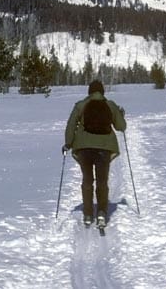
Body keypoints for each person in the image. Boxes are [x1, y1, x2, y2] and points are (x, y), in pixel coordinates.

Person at [62, 79, 126, 227]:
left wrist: (68, 144)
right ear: (102, 91)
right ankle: (102, 213)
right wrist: (121, 115)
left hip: (84, 148)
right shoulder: (110, 105)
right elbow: (121, 127)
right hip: (104, 147)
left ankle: (88, 214)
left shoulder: (80, 105)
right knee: (102, 181)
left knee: (87, 180)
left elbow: (71, 125)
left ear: (89, 91)